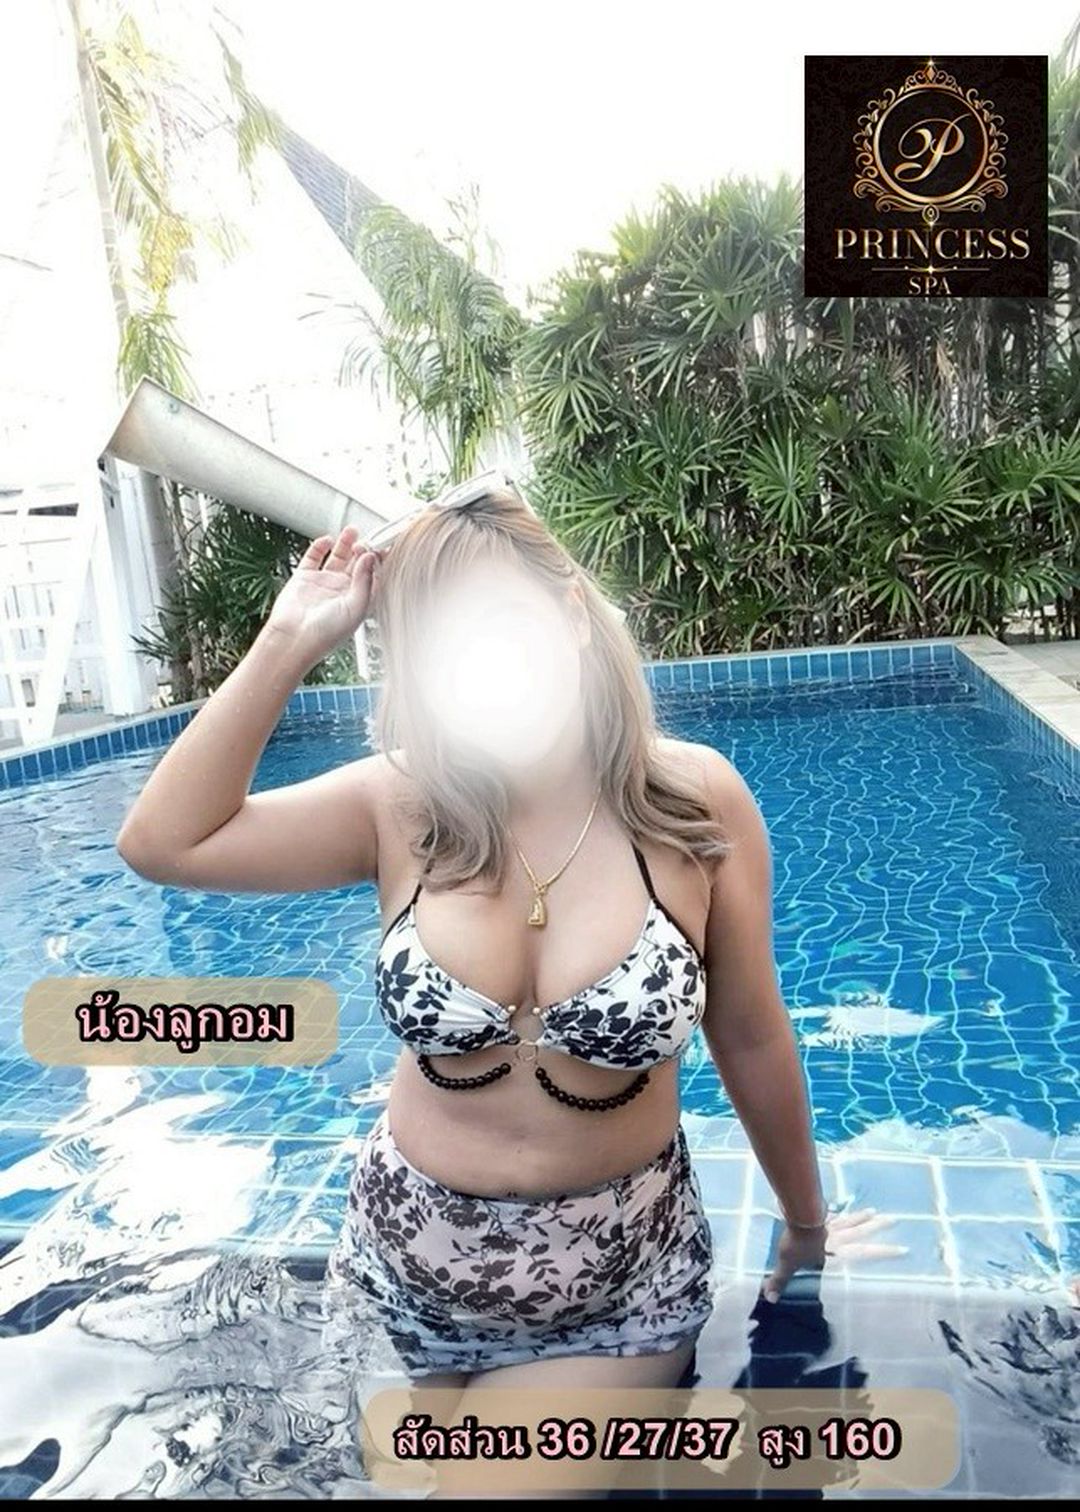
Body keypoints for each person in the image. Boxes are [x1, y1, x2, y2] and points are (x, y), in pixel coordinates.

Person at [115, 479, 830, 1435]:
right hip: (396, 1272)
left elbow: (749, 1034)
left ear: (569, 614)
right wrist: (289, 640)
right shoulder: (400, 804)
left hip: (610, 1300)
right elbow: (164, 842)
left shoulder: (694, 800)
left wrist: (807, 1222)